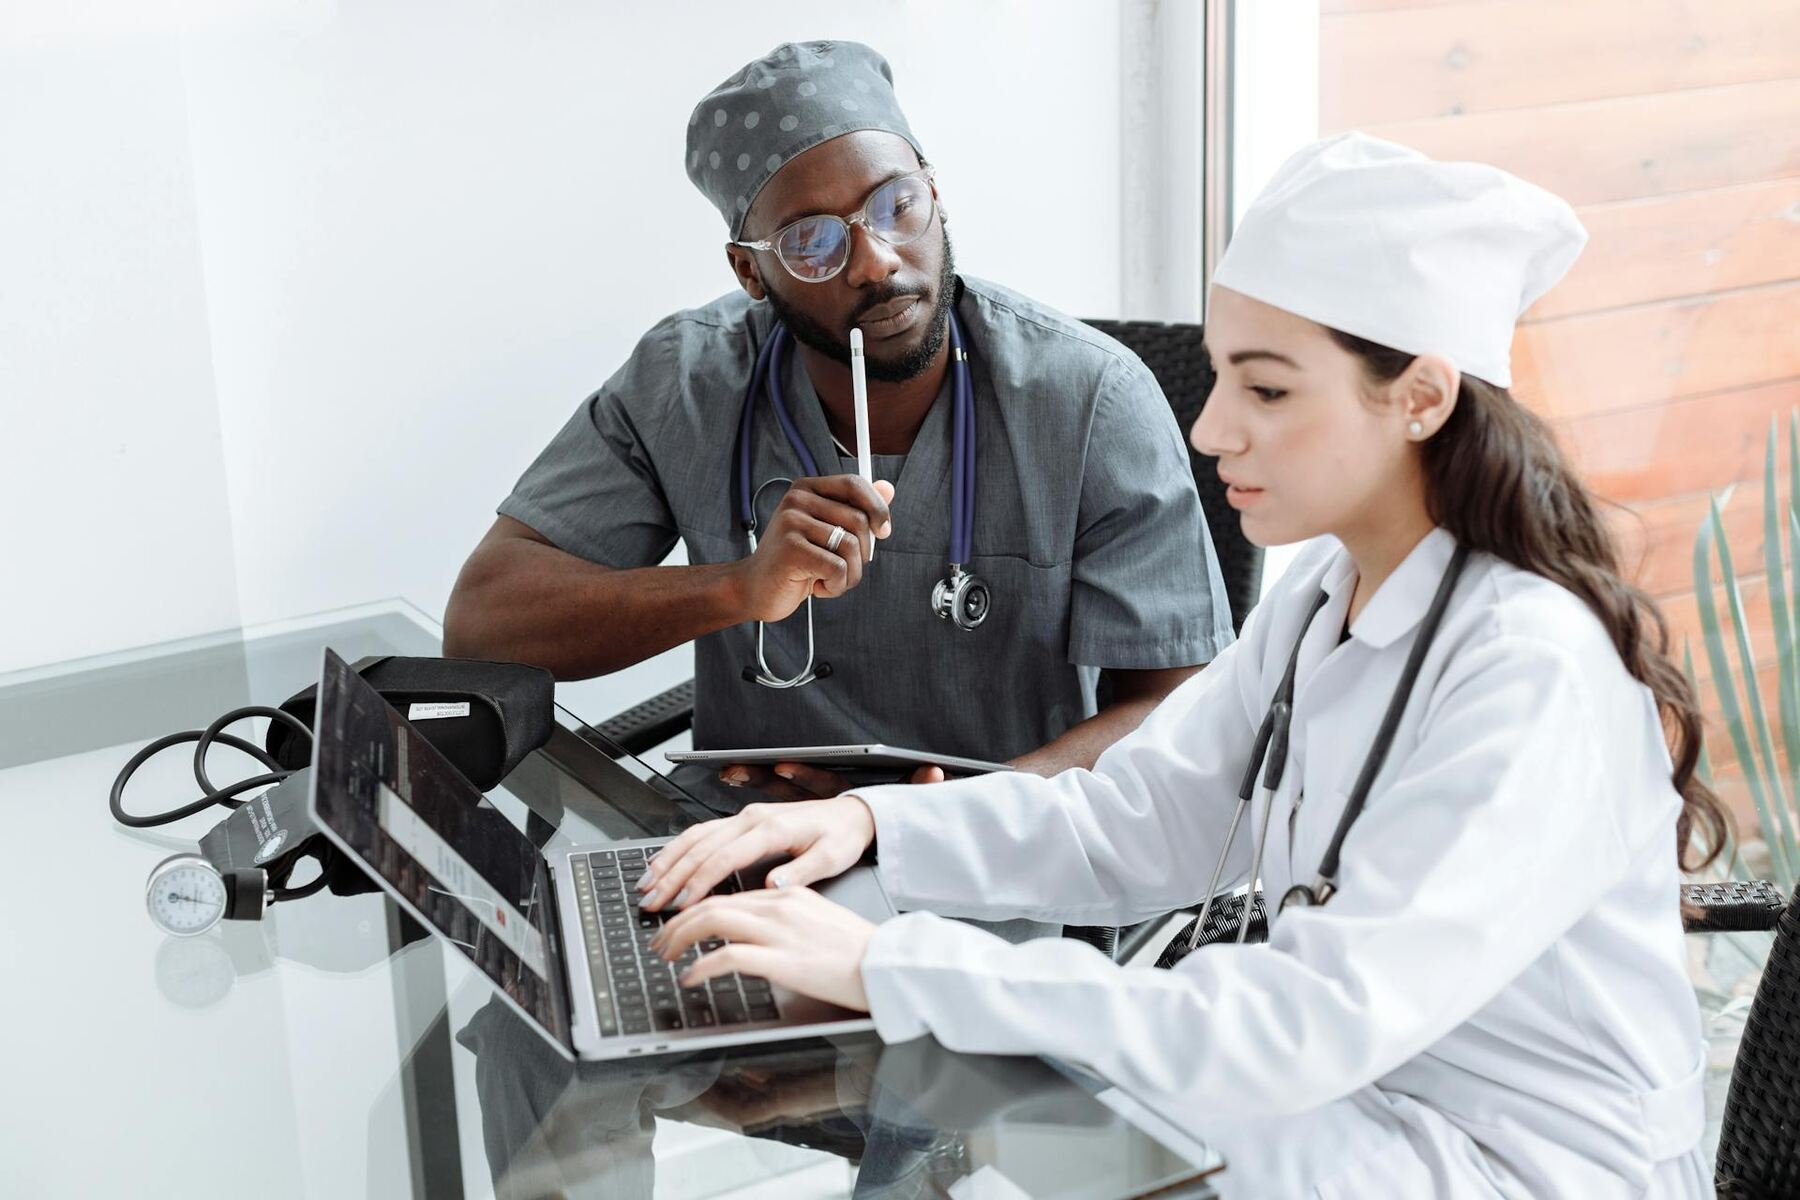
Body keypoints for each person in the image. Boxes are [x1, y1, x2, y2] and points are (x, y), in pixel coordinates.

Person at [634, 133, 1731, 1196]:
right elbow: (1139, 819)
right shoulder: (1323, 593)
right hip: (1343, 1111)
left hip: (1518, 1165)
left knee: (1015, 1131)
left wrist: (886, 966)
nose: (1208, 431)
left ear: (1422, 398)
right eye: (1216, 380)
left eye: (1266, 390)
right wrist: (874, 826)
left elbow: (1304, 1022)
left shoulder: (1531, 674)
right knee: (1006, 1137)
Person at [443, 40, 1234, 814]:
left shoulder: (1089, 397)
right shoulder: (687, 384)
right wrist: (739, 586)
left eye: (897, 205)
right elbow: (485, 626)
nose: (877, 261)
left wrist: (924, 824)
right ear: (751, 271)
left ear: (936, 192)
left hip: (1000, 860)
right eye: (813, 240)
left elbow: (1182, 708)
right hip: (745, 840)